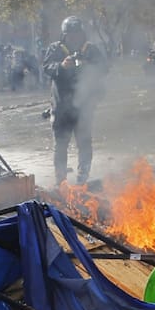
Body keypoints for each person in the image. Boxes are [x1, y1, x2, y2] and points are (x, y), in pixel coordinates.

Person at [42, 16, 108, 184]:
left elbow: (104, 68)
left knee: (84, 143)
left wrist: (88, 65)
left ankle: (82, 178)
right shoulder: (55, 49)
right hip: (61, 107)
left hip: (84, 107)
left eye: (77, 34)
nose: (74, 38)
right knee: (61, 145)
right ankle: (61, 180)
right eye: (70, 35)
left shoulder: (91, 50)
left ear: (82, 34)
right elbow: (46, 68)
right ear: (64, 35)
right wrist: (61, 66)